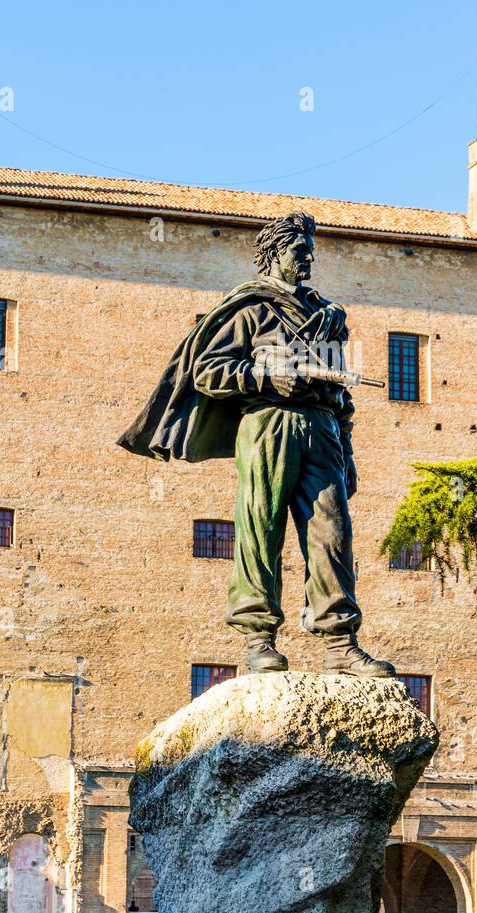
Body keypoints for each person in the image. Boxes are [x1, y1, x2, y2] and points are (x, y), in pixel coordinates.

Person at [119, 210, 396, 677]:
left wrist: (347, 453)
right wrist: (267, 375)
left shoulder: (327, 317)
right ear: (274, 254)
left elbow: (340, 392)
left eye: (310, 251)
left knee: (333, 535)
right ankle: (258, 638)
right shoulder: (250, 310)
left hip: (323, 429)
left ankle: (339, 644)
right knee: (259, 528)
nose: (307, 259)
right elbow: (207, 371)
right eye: (298, 251)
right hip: (267, 425)